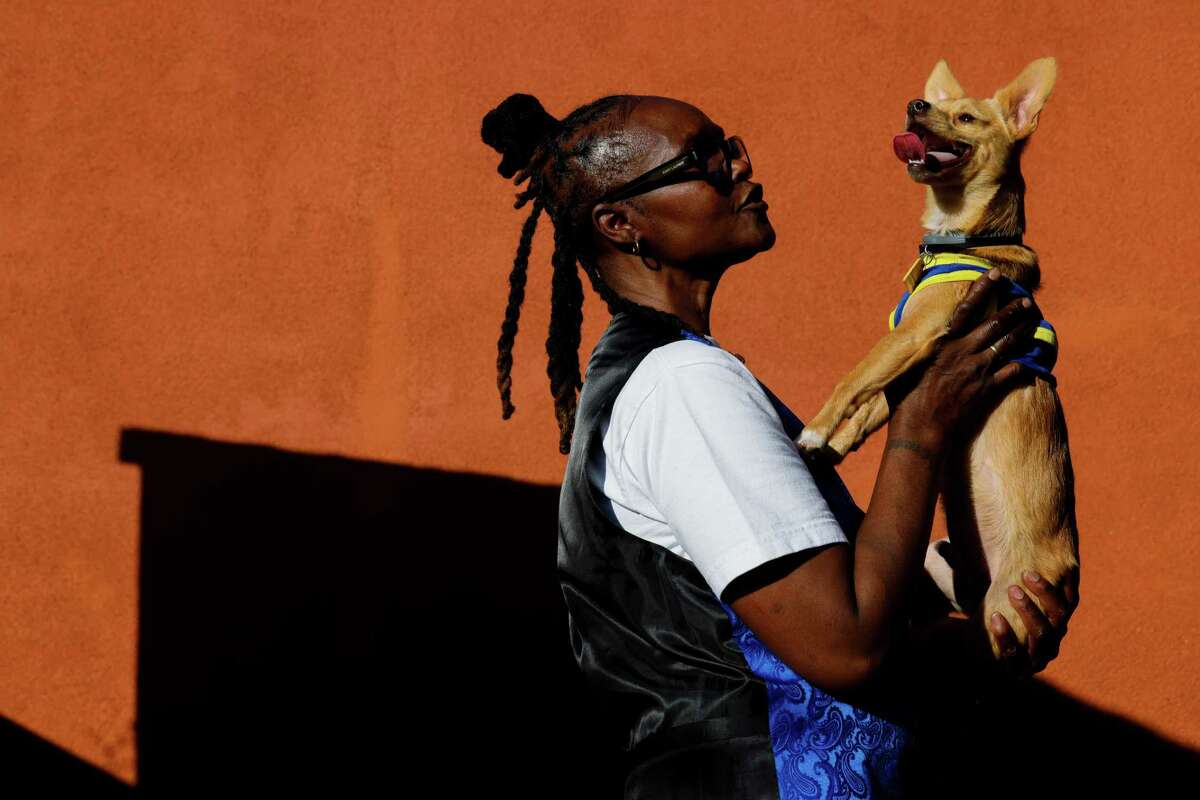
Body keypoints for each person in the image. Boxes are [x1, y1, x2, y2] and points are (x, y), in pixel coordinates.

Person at [481, 93, 1079, 799]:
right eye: (704, 159)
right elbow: (845, 645)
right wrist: (919, 426)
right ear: (622, 224)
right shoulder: (684, 385)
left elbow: (801, 603)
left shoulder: (668, 375)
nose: (740, 164)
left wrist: (981, 604)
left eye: (729, 142)